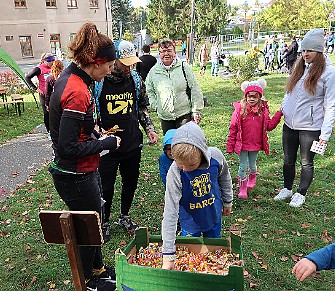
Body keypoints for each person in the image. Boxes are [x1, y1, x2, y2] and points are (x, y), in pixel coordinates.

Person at [48, 22, 119, 291]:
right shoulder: (76, 90)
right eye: (110, 65)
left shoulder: (75, 79)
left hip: (83, 170)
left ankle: (97, 269)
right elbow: (66, 146)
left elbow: (75, 128)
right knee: (88, 229)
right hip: (74, 174)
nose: (111, 70)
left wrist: (95, 132)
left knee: (95, 221)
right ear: (96, 62)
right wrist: (106, 144)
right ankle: (88, 281)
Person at [94, 39, 159, 242]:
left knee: (130, 182)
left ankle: (124, 216)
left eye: (132, 62)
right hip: (107, 147)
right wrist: (98, 132)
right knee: (106, 186)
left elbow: (142, 107)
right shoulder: (99, 82)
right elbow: (93, 113)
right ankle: (104, 221)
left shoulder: (136, 80)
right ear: (114, 60)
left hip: (132, 143)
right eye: (125, 63)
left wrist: (149, 129)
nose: (130, 67)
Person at [274, 28, 335, 208]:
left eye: (310, 50)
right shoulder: (299, 66)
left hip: (310, 127)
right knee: (288, 159)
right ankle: (287, 188)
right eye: (303, 50)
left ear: (319, 51)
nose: (305, 54)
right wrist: (284, 109)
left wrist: (324, 135)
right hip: (290, 124)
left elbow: (331, 105)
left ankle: (301, 193)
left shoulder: (329, 73)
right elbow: (289, 91)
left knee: (306, 162)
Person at [161, 121, 233, 270]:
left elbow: (225, 178)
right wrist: (168, 255)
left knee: (213, 253)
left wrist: (228, 201)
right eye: (181, 164)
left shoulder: (216, 157)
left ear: (202, 153)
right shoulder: (174, 173)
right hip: (189, 221)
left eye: (191, 165)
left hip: (213, 215)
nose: (186, 169)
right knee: (190, 256)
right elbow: (170, 213)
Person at [226, 79, 282, 199]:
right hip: (242, 144)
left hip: (255, 144)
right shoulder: (239, 110)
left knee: (252, 165)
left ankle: (252, 178)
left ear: (259, 98)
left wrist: (278, 115)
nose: (252, 99)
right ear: (245, 96)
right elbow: (233, 128)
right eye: (249, 96)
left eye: (255, 97)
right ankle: (242, 188)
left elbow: (269, 126)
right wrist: (230, 145)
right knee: (242, 166)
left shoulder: (263, 111)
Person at [146, 39, 204, 135]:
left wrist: (196, 111)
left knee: (185, 144)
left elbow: (195, 88)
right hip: (165, 117)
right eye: (163, 51)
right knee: (170, 145)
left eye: (169, 51)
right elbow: (149, 91)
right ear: (159, 54)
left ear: (174, 52)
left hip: (184, 114)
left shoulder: (184, 67)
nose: (166, 54)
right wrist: (155, 105)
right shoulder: (154, 71)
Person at [25, 52, 55, 136]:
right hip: (44, 94)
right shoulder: (39, 69)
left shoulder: (53, 67)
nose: (51, 64)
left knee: (55, 112)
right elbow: (27, 77)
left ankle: (56, 131)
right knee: (47, 113)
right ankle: (49, 132)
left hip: (54, 93)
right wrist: (36, 88)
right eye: (50, 62)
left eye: (53, 62)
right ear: (45, 61)